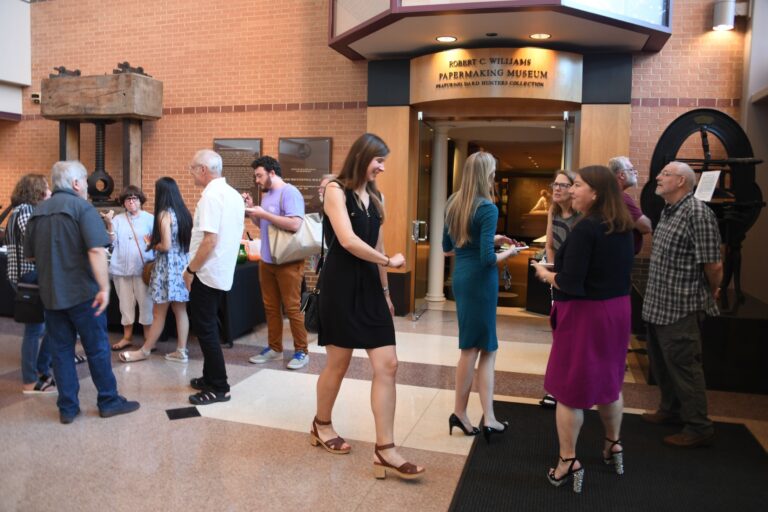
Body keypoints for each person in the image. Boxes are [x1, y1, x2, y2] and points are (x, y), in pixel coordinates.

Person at [312, 133, 424, 480]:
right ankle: (322, 424)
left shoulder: (376, 196)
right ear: (363, 157)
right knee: (339, 362)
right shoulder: (334, 189)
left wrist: (386, 291)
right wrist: (389, 261)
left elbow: (375, 240)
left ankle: (385, 449)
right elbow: (346, 240)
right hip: (340, 286)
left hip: (371, 288)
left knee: (388, 364)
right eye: (379, 160)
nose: (383, 167)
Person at [533, 165, 634, 493]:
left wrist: (546, 274)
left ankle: (567, 462)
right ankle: (613, 444)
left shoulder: (585, 229)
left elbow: (571, 283)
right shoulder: (622, 227)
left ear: (596, 192)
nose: (571, 190)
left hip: (585, 315)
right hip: (617, 311)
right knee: (609, 383)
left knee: (569, 391)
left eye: (577, 185)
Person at [25, 160, 139, 424]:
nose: (87, 185)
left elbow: (31, 256)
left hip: (52, 295)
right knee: (97, 347)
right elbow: (97, 250)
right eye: (85, 180)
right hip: (83, 294)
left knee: (61, 351)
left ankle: (67, 408)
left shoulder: (37, 212)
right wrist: (104, 287)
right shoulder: (82, 209)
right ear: (76, 183)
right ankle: (108, 400)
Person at [443, 151, 523, 442]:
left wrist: (493, 239)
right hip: (481, 281)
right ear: (487, 175)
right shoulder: (487, 207)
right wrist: (510, 251)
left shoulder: (453, 202)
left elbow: (447, 247)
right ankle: (465, 413)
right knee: (475, 348)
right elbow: (489, 260)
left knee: (483, 347)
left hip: (462, 278)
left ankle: (485, 416)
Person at [641, 161, 722, 448]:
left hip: (681, 307)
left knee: (685, 367)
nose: (659, 178)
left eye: (665, 174)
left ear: (682, 182)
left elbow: (713, 263)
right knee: (663, 365)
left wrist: (714, 289)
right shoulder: (668, 210)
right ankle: (670, 409)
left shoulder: (698, 213)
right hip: (658, 305)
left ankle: (699, 425)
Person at [184, 150, 245, 405]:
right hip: (220, 271)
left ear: (202, 170)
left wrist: (190, 270)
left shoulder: (211, 196)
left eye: (192, 170)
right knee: (209, 325)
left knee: (205, 330)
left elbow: (210, 240)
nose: (191, 175)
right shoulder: (231, 193)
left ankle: (220, 387)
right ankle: (209, 376)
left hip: (206, 273)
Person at [244, 156, 309, 370]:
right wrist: (254, 210)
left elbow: (295, 224)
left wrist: (265, 214)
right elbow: (263, 223)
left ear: (272, 173)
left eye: (260, 175)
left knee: (292, 308)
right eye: (256, 177)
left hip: (288, 261)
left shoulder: (289, 192)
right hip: (267, 260)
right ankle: (275, 349)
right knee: (271, 308)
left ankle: (301, 351)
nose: (257, 180)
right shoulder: (267, 195)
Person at [119, 178, 192, 363]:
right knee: (180, 311)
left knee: (159, 313)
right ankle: (181, 351)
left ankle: (144, 350)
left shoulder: (163, 214)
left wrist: (151, 244)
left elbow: (166, 245)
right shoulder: (183, 213)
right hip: (182, 267)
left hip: (167, 268)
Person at [6, 174, 55, 394]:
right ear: (37, 190)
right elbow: (36, 241)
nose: (50, 191)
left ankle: (40, 370)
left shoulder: (19, 210)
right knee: (35, 330)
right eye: (46, 187)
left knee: (44, 327)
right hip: (30, 277)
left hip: (27, 276)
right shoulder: (26, 211)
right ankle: (29, 380)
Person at [539, 169, 580, 409]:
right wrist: (553, 274)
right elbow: (550, 243)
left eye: (563, 185)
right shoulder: (553, 210)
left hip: (574, 281)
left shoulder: (581, 216)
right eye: (555, 184)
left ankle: (568, 387)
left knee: (572, 336)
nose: (557, 189)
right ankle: (559, 387)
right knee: (559, 333)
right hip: (558, 279)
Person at [105, 186, 155, 352]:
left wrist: (151, 244)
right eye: (128, 199)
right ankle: (127, 337)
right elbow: (111, 243)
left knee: (146, 303)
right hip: (121, 269)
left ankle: (148, 338)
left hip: (143, 269)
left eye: (135, 198)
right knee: (125, 304)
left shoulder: (150, 219)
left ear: (141, 201)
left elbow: (157, 243)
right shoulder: (118, 220)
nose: (132, 202)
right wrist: (110, 225)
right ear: (123, 202)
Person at [608, 156, 652, 254]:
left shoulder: (609, 193)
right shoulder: (621, 197)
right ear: (622, 175)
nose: (636, 172)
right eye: (631, 169)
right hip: (620, 255)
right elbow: (646, 227)